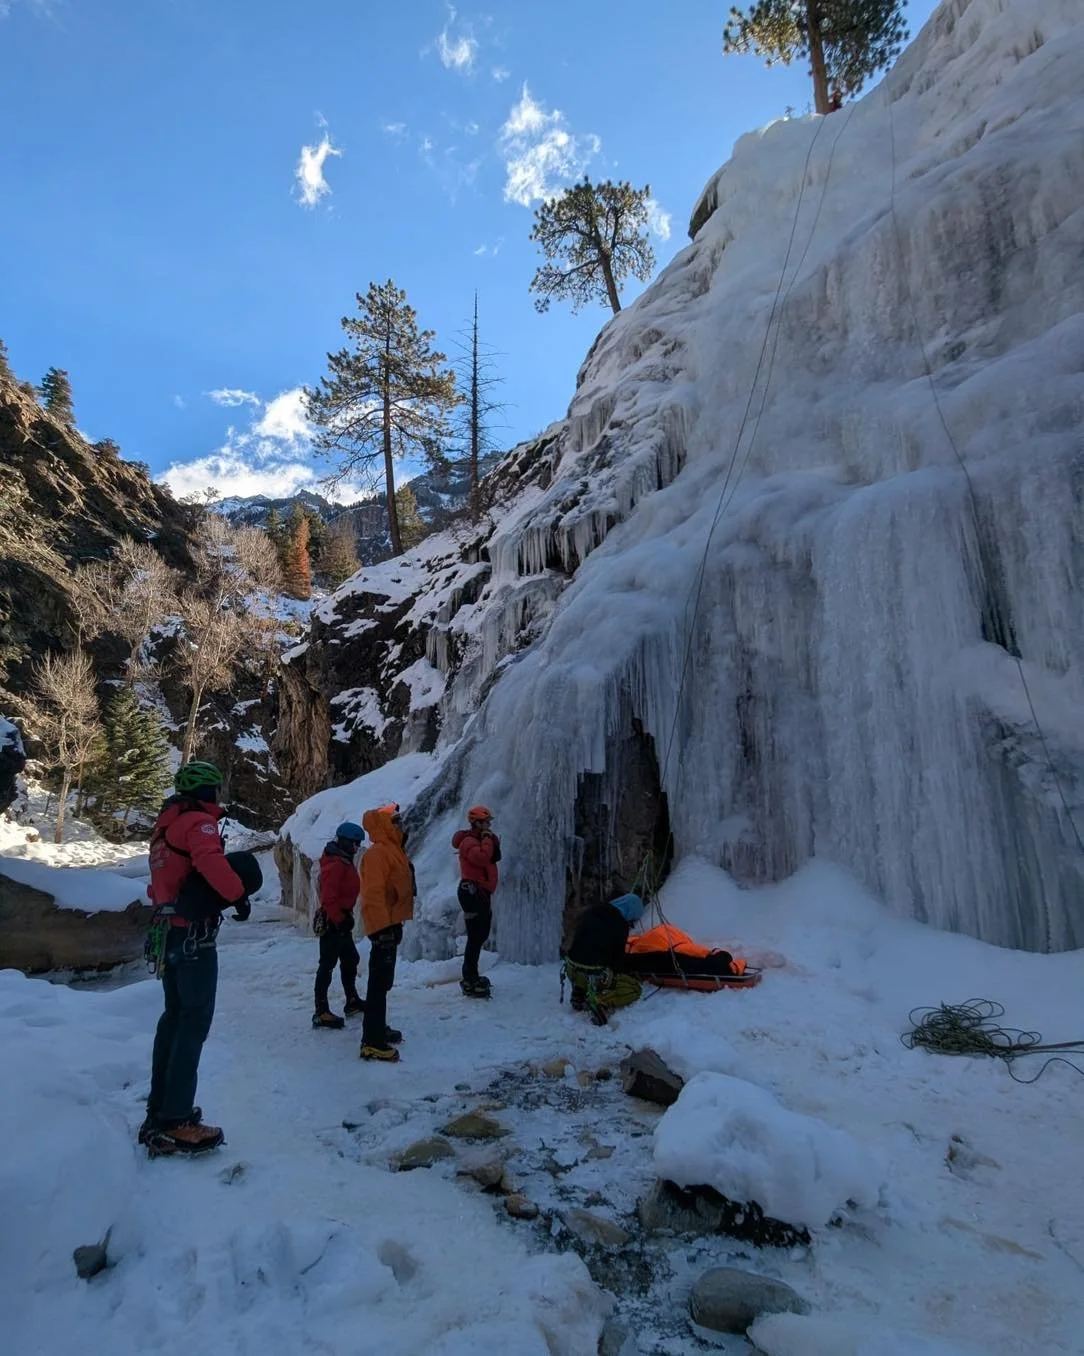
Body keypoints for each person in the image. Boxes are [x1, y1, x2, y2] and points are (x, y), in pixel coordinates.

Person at [140, 761, 255, 1156]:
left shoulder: (164, 828)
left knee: (173, 1021)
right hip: (194, 937)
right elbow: (211, 862)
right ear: (207, 791)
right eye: (215, 789)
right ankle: (177, 1120)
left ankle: (159, 1113)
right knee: (193, 1024)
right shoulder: (198, 824)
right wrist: (238, 894)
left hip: (171, 932)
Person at [358, 804, 414, 1062]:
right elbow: (372, 895)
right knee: (378, 983)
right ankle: (371, 1040)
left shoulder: (393, 850)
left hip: (392, 923)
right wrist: (381, 930)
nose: (400, 825)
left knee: (384, 981)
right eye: (395, 821)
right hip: (384, 927)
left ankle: (378, 1027)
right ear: (384, 826)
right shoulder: (378, 854)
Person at [312, 821, 366, 1029]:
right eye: (354, 843)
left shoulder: (341, 860)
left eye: (358, 844)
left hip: (341, 919)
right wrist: (340, 920)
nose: (356, 848)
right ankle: (321, 1011)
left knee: (349, 959)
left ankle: (351, 1000)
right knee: (327, 964)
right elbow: (329, 898)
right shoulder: (335, 865)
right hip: (334, 921)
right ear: (343, 841)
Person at [563, 892, 645, 1025]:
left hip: (572, 970)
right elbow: (616, 963)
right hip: (594, 974)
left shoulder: (591, 911)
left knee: (589, 959)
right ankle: (602, 1002)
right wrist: (629, 973)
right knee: (634, 989)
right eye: (633, 921)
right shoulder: (620, 924)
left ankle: (580, 991)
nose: (632, 924)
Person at [452, 804, 500, 998]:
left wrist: (489, 839)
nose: (489, 825)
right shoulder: (468, 842)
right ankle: (469, 978)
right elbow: (481, 858)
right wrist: (487, 839)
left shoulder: (478, 839)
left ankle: (472, 975)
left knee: (479, 935)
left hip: (479, 892)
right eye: (486, 822)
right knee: (475, 935)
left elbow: (495, 855)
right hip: (472, 893)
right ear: (477, 823)